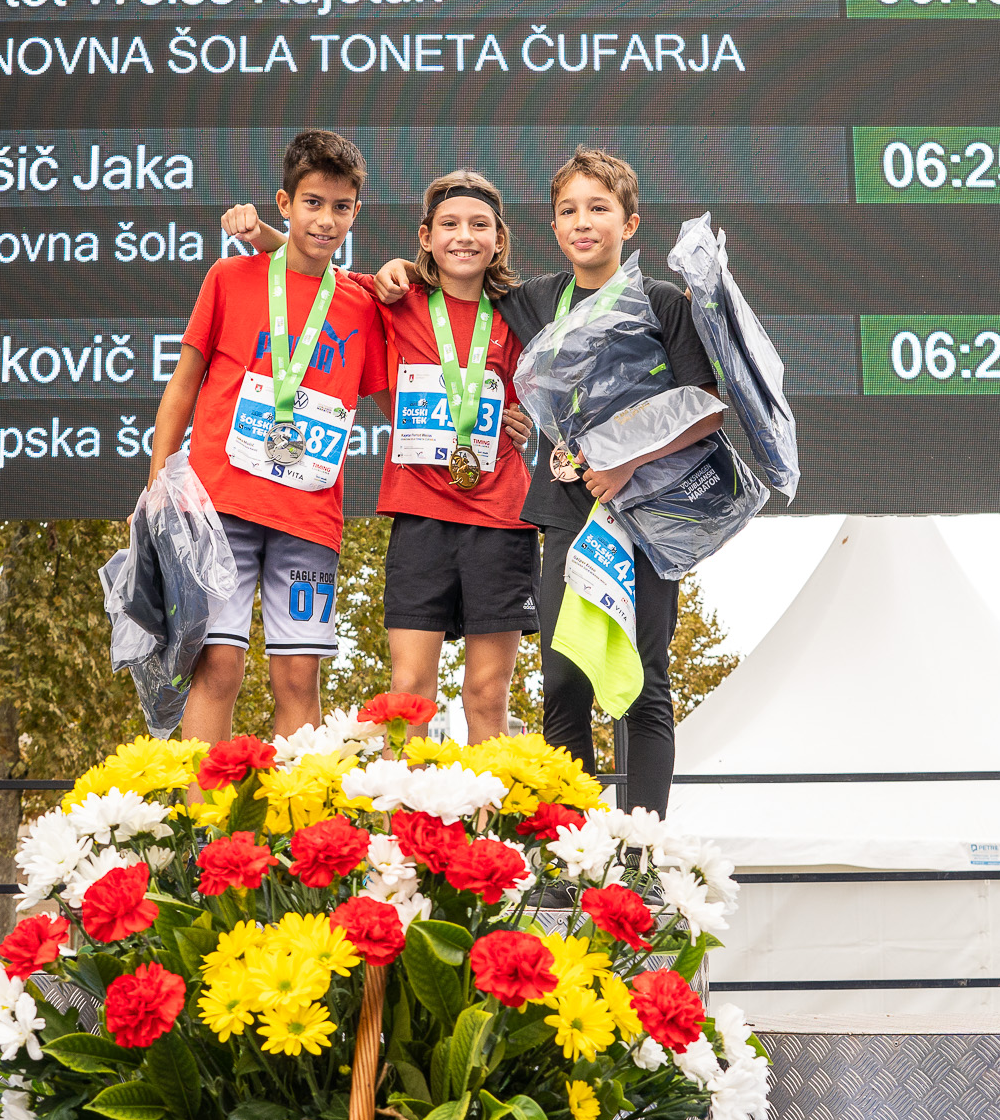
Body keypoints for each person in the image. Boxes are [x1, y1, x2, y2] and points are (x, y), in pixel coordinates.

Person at [367, 147, 722, 815]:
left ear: (629, 223)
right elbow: (453, 274)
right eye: (568, 211)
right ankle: (573, 848)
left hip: (646, 517)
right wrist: (399, 270)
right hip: (564, 514)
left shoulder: (661, 302)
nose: (583, 222)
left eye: (598, 209)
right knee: (561, 685)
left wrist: (626, 462)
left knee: (644, 684)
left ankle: (641, 850)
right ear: (553, 226)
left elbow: (706, 407)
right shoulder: (532, 300)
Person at [225, 170, 540, 741]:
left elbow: (546, 390)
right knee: (409, 691)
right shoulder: (395, 297)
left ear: (499, 239)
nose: (464, 236)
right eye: (449, 224)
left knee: (487, 693)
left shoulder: (520, 312)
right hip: (420, 516)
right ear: (425, 237)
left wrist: (529, 419)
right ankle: (404, 804)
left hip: (501, 519)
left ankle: (489, 806)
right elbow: (316, 266)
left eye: (479, 225)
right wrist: (261, 232)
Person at [147, 130, 389, 742]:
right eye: (313, 203)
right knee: (217, 668)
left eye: (340, 207)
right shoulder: (230, 277)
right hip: (219, 506)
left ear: (356, 212)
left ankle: (298, 809)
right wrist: (157, 482)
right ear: (285, 203)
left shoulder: (361, 305)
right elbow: (183, 384)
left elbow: (403, 396)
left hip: (308, 516)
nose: (326, 220)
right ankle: (203, 807)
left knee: (299, 680)